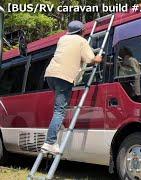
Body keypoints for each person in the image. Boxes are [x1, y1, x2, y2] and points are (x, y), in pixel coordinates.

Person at [41, 20, 102, 154]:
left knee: (60, 106)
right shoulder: (82, 41)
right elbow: (90, 59)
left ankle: (57, 128)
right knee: (59, 111)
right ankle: (50, 142)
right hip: (64, 77)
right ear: (81, 31)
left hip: (50, 75)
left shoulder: (62, 39)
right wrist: (99, 58)